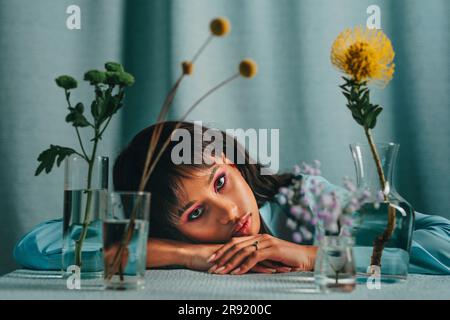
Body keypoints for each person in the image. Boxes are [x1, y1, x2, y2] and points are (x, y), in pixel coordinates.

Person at [14, 121, 450, 275]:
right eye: (196, 211)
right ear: (167, 223)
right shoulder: (178, 241)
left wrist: (309, 255)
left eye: (220, 182)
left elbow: (442, 242)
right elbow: (38, 246)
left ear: (232, 162)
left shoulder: (304, 198)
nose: (229, 212)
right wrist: (187, 255)